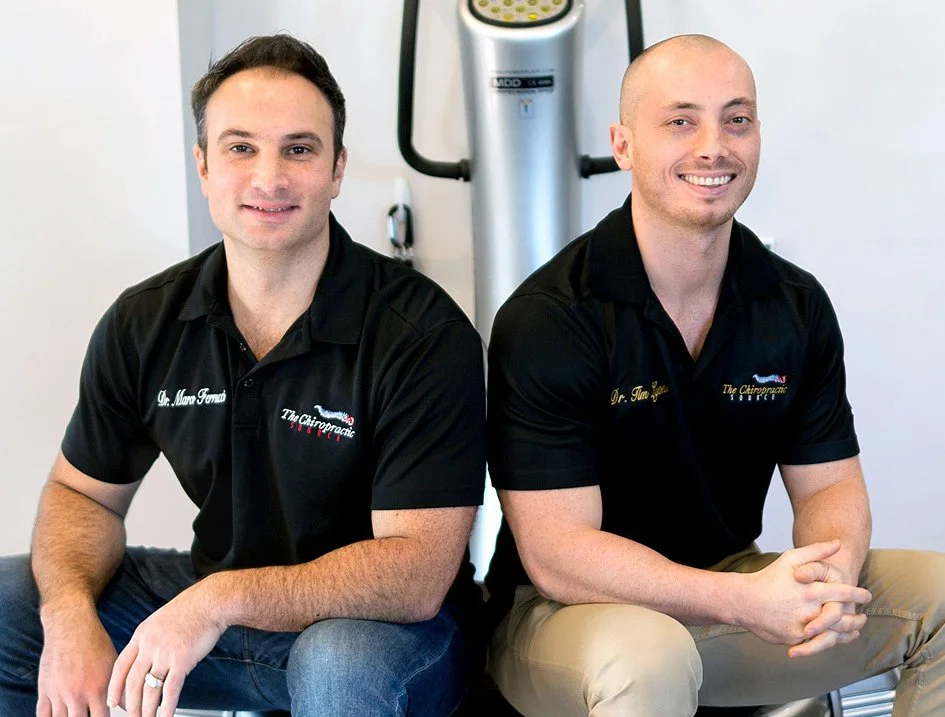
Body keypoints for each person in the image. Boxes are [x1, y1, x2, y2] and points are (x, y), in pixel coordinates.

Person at [0, 34, 486, 717]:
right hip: (224, 616)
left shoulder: (420, 335)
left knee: (337, 661)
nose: (269, 178)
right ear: (203, 165)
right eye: (240, 148)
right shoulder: (146, 321)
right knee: (11, 606)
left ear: (337, 168)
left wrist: (216, 601)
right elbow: (83, 494)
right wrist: (69, 616)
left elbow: (415, 575)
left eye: (299, 149)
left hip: (388, 636)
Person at [484, 33, 945, 717]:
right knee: (649, 656)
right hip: (564, 615)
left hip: (726, 589)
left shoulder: (792, 304)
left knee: (939, 598)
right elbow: (557, 554)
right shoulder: (551, 316)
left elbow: (829, 484)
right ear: (622, 145)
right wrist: (740, 599)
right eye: (680, 121)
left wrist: (828, 577)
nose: (713, 147)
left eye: (737, 120)